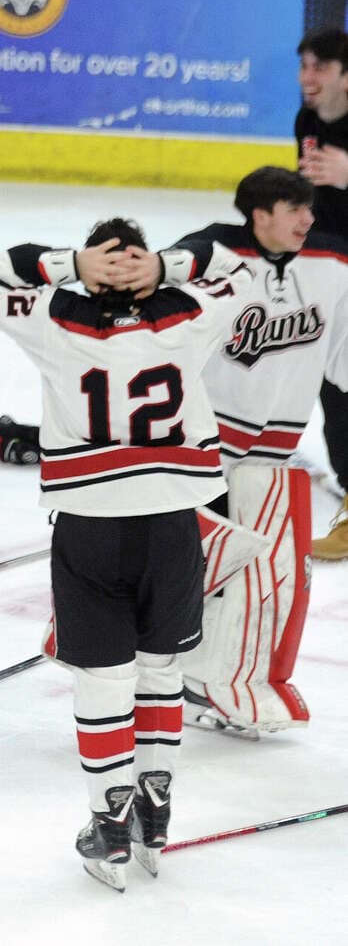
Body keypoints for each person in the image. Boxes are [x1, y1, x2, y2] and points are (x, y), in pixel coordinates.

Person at [0, 217, 253, 891]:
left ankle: (108, 822)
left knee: (102, 679)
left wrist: (71, 262)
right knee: (162, 668)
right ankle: (154, 811)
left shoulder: (54, 315)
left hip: (90, 522)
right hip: (172, 523)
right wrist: (165, 267)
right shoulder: (189, 311)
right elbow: (236, 267)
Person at [161, 167, 348, 733]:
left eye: (310, 209)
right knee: (203, 565)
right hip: (202, 445)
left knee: (267, 574)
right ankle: (179, 673)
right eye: (295, 210)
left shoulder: (333, 264)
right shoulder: (210, 258)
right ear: (260, 214)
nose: (308, 220)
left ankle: (217, 677)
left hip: (273, 455)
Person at [294, 30, 348, 550]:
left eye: (322, 67)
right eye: (305, 66)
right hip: (321, 266)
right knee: (317, 373)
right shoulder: (307, 120)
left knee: (342, 380)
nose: (310, 77)